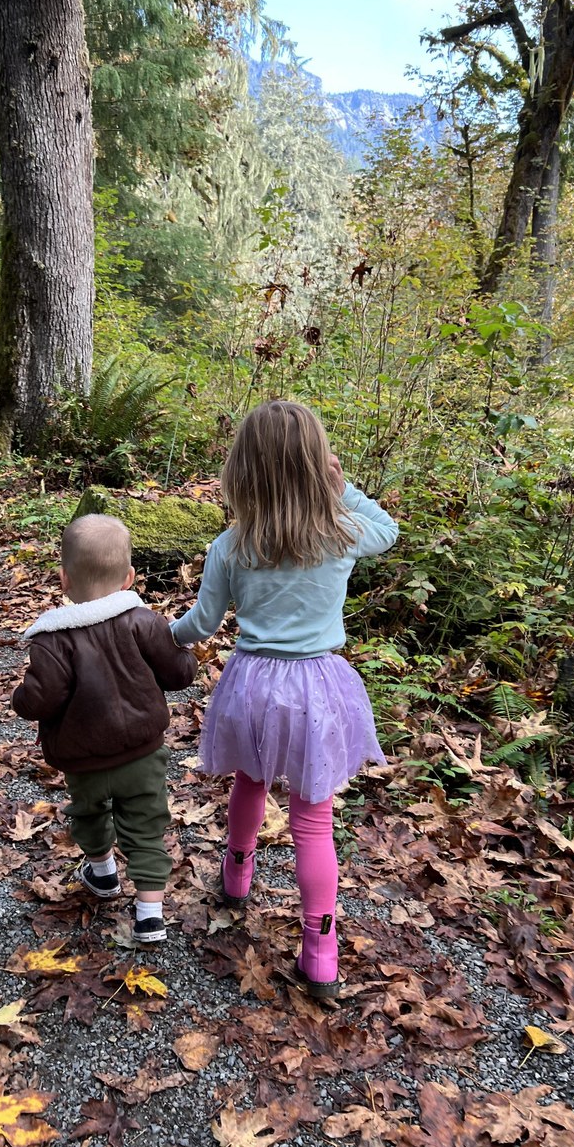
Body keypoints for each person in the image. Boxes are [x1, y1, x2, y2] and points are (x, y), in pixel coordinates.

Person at [170, 400, 399, 999]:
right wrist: (343, 490)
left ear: (243, 471)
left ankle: (236, 875)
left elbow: (201, 624)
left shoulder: (231, 545)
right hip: (317, 688)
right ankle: (321, 952)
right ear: (317, 466)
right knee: (313, 819)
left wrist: (159, 633)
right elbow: (388, 530)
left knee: (250, 781)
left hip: (253, 686)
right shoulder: (342, 534)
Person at [13, 514, 197, 945]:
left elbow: (41, 699)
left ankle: (103, 873)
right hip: (142, 753)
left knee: (89, 812)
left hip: (84, 758)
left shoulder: (52, 640)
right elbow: (177, 674)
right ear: (129, 577)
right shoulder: (144, 622)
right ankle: (149, 915)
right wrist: (186, 654)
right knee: (146, 824)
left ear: (64, 579)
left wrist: (21, 697)